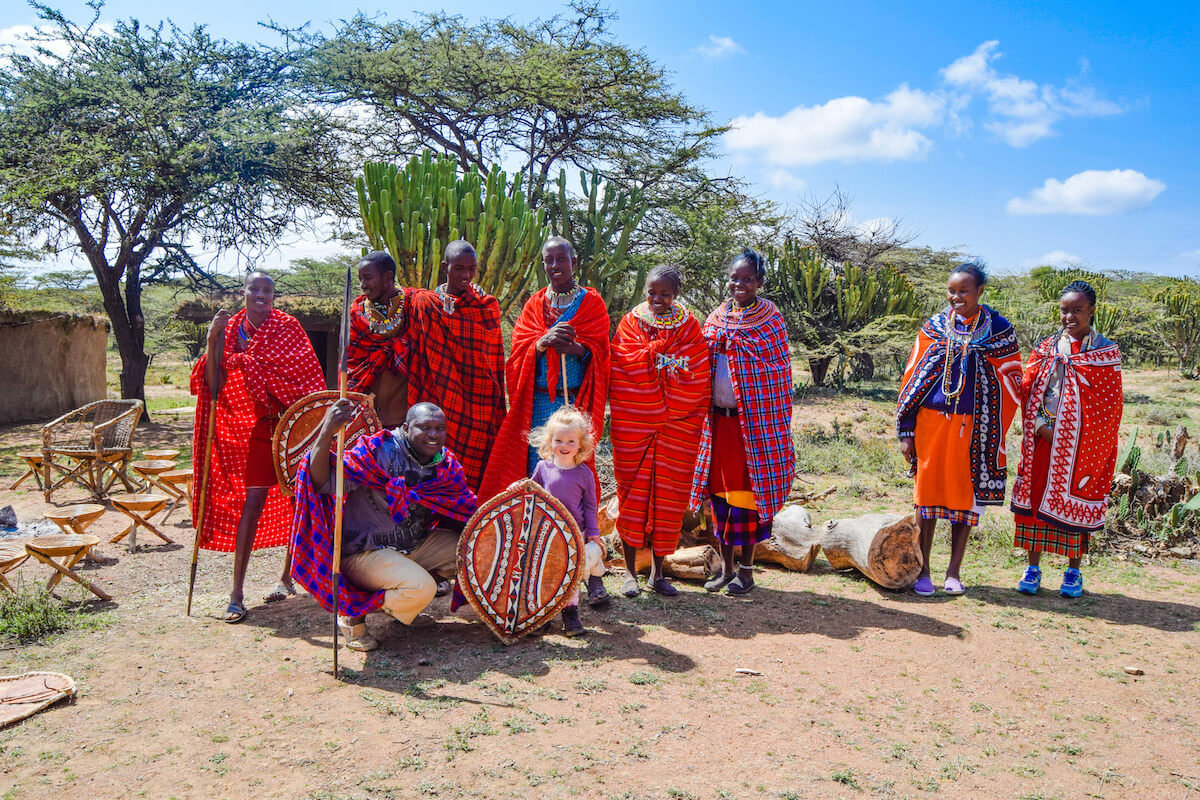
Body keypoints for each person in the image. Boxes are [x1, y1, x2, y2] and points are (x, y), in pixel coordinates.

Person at [190, 270, 325, 623]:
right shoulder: (230, 330)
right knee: (252, 505)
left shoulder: (289, 328)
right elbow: (214, 385)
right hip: (255, 431)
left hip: (291, 428)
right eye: (255, 289)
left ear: (274, 296)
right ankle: (236, 593)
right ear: (243, 292)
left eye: (268, 291)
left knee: (299, 500)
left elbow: (307, 379)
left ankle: (286, 577)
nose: (261, 296)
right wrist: (211, 340)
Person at [290, 401, 478, 652]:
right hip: (364, 552)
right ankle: (351, 614)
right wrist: (327, 432)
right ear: (406, 427)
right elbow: (323, 483)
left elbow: (462, 509)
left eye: (439, 428)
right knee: (422, 589)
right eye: (424, 427)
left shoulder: (445, 465)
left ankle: (402, 602)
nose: (433, 434)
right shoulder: (378, 450)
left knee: (475, 551)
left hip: (412, 545)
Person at [896, 262, 1023, 597]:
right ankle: (924, 572)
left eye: (963, 291)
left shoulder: (999, 329)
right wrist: (906, 430)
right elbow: (913, 377)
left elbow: (1011, 378)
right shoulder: (935, 327)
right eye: (952, 291)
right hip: (930, 423)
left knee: (962, 500)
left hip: (973, 428)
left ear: (980, 292)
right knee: (927, 499)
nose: (956, 297)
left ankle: (954, 572)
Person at [689, 249, 795, 596]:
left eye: (747, 279)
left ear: (759, 282)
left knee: (747, 499)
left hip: (754, 428)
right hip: (718, 425)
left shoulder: (770, 321)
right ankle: (725, 568)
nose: (740, 284)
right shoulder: (715, 319)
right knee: (719, 500)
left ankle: (747, 571)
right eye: (735, 278)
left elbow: (776, 372)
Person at [1012, 281, 1123, 598]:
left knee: (1077, 499)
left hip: (1082, 448)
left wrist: (1067, 432)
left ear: (1091, 311)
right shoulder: (1046, 348)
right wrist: (1041, 424)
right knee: (1034, 502)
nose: (1070, 316)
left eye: (1077, 310)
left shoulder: (1104, 352)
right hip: (1041, 438)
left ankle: (1073, 572)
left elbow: (1109, 406)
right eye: (1065, 310)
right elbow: (1030, 390)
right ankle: (1032, 569)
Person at [479, 237, 610, 500]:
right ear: (543, 264)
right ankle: (535, 525)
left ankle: (569, 528)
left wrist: (578, 350)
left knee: (571, 465)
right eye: (549, 260)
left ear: (573, 262)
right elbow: (517, 354)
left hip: (573, 403)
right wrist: (540, 344)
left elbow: (602, 353)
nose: (555, 265)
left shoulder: (591, 303)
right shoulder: (534, 305)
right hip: (537, 402)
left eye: (561, 259)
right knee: (536, 465)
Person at [610, 265, 711, 598]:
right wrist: (653, 359)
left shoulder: (688, 325)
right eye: (652, 292)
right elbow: (621, 364)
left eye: (664, 294)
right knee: (632, 497)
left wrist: (662, 364)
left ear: (676, 294)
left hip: (676, 427)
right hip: (635, 423)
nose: (657, 299)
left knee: (668, 500)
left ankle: (658, 574)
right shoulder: (631, 322)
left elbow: (697, 371)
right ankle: (629, 573)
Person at [403, 241, 507, 492]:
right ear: (444, 267)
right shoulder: (426, 303)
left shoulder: (486, 306)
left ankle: (469, 519)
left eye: (471, 269)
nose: (466, 276)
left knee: (473, 471)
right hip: (439, 398)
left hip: (478, 402)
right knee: (434, 458)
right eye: (459, 268)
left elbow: (493, 360)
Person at [528, 407, 608, 635]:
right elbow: (532, 491)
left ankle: (570, 615)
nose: (564, 445)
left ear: (580, 444)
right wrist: (517, 487)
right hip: (547, 534)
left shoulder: (584, 474)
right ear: (549, 441)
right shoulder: (543, 468)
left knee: (571, 575)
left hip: (575, 534)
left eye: (570, 441)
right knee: (546, 573)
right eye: (558, 440)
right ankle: (542, 614)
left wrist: (593, 532)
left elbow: (591, 506)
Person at [346, 251, 411, 428]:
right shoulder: (357, 313)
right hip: (367, 422)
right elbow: (350, 365)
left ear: (388, 276)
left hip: (404, 423)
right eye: (360, 279)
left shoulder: (414, 307)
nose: (362, 285)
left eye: (367, 278)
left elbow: (445, 302)